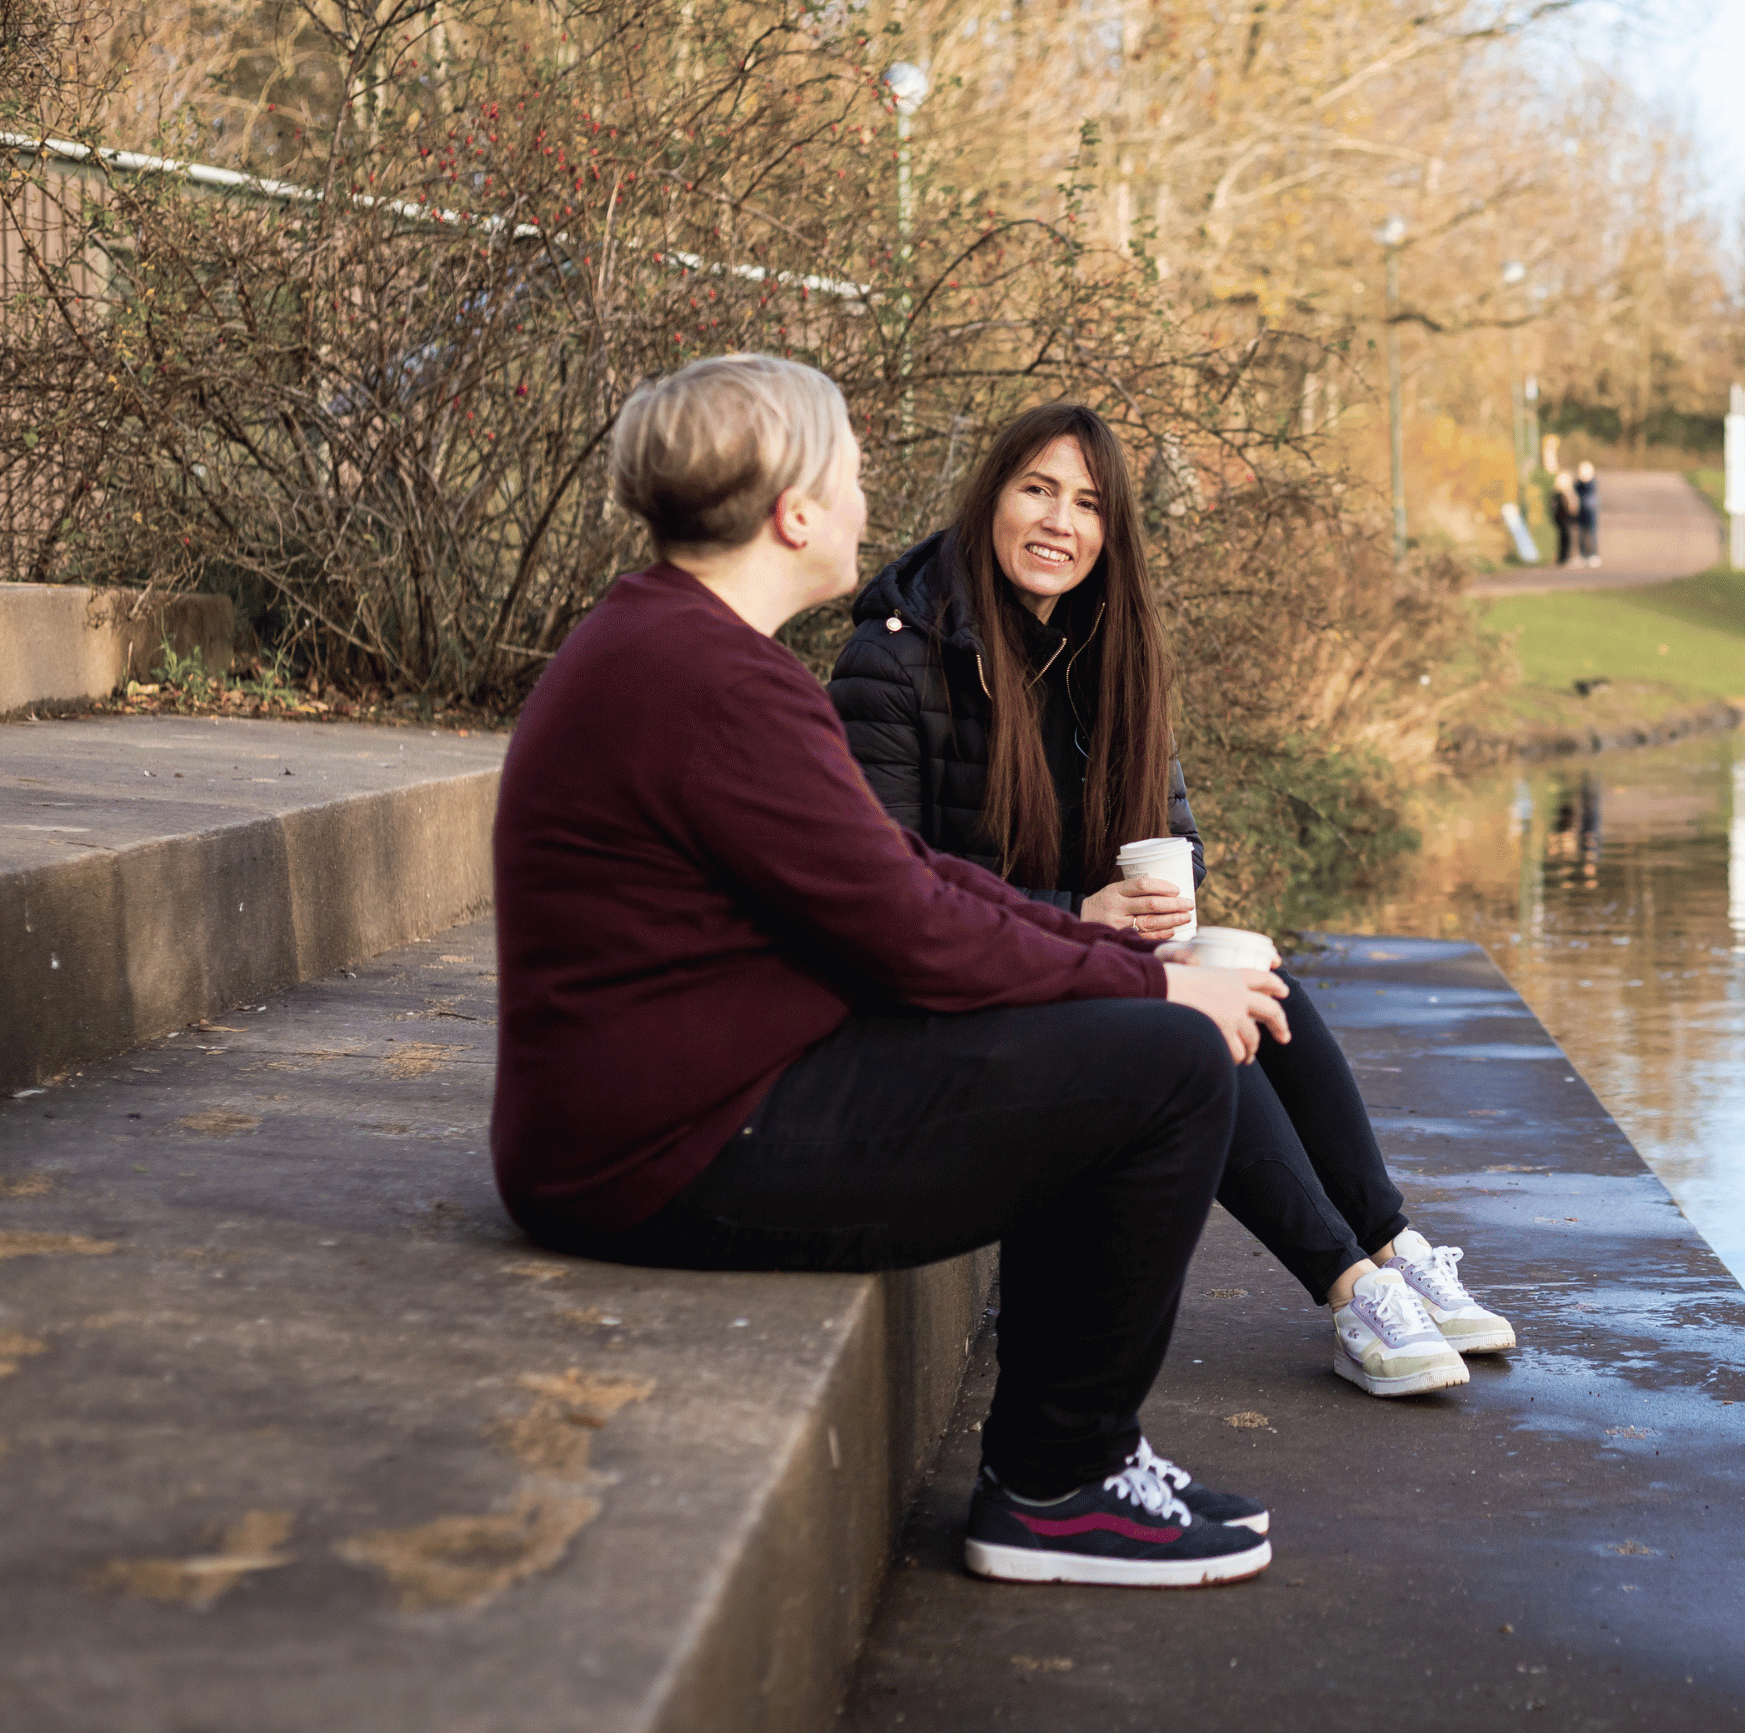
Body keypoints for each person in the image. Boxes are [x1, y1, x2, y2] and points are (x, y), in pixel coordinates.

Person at [492, 354, 1283, 1589]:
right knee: (1170, 1065)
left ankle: (1069, 1461)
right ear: (795, 513)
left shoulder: (680, 648)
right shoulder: (708, 682)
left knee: (1135, 1036)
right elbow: (908, 926)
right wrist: (1152, 988)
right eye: (853, 472)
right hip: (666, 1151)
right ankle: (1058, 1485)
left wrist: (1101, 951)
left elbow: (898, 871)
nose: (871, 499)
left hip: (690, 1104)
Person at [829, 401, 1517, 1401]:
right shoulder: (891, 662)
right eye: (1037, 490)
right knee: (1182, 1027)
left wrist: (1168, 900)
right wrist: (1081, 918)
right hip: (945, 1007)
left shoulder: (1107, 650)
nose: (1059, 521)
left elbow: (1170, 829)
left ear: (1112, 534)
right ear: (988, 500)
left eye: (1088, 504)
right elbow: (898, 901)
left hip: (1060, 959)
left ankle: (1392, 1242)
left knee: (1250, 977)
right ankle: (1351, 1287)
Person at [1574, 459, 1601, 566]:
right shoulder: (1578, 484)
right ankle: (1583, 555)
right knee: (1581, 534)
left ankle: (1594, 554)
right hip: (1581, 512)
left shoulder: (1591, 484)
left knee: (1591, 534)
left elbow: (1589, 491)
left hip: (1590, 512)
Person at [1548, 470, 1577, 565]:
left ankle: (1563, 557)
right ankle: (1564, 557)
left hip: (1560, 519)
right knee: (1566, 538)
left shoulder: (1556, 494)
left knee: (1563, 538)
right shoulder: (1561, 495)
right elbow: (1566, 508)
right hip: (1563, 519)